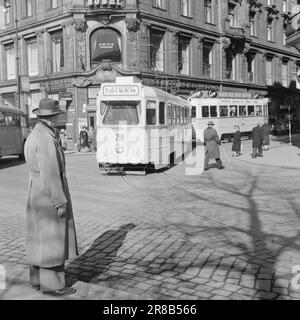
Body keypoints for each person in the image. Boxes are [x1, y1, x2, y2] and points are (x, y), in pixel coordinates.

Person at [24, 98, 78, 296]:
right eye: (57, 116)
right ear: (52, 118)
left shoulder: (34, 135)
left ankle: (37, 280)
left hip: (36, 193)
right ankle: (53, 285)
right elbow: (51, 174)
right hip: (48, 195)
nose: (58, 118)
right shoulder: (46, 139)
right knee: (52, 240)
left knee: (39, 237)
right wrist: (60, 201)